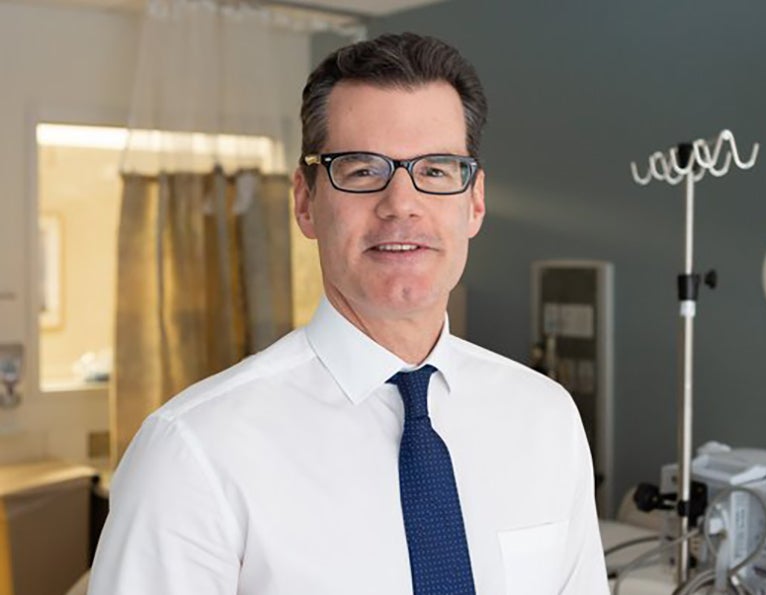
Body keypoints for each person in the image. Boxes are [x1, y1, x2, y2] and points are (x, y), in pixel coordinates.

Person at [88, 33, 608, 595]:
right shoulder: (193, 452)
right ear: (306, 202)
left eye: (435, 171)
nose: (401, 203)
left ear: (474, 202)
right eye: (362, 170)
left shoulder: (547, 420)